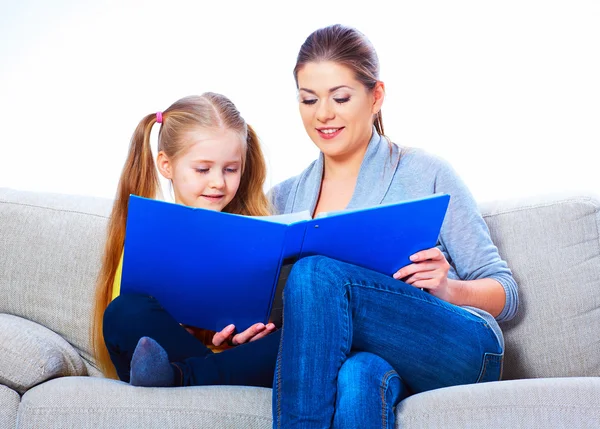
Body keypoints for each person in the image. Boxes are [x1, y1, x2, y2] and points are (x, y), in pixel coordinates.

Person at [127, 24, 519, 429]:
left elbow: (505, 292)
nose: (323, 114)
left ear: (376, 97)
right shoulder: (283, 199)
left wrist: (447, 288)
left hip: (457, 347)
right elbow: (295, 326)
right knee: (358, 377)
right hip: (369, 360)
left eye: (341, 98)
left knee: (318, 273)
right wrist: (251, 337)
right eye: (308, 99)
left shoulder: (426, 172)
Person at [91, 93, 280, 385]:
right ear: (166, 165)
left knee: (309, 333)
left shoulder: (257, 231)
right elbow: (126, 316)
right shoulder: (148, 231)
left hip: (227, 358)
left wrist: (239, 340)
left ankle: (182, 377)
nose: (218, 182)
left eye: (231, 169)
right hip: (165, 350)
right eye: (203, 169)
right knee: (124, 313)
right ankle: (192, 374)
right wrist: (179, 330)